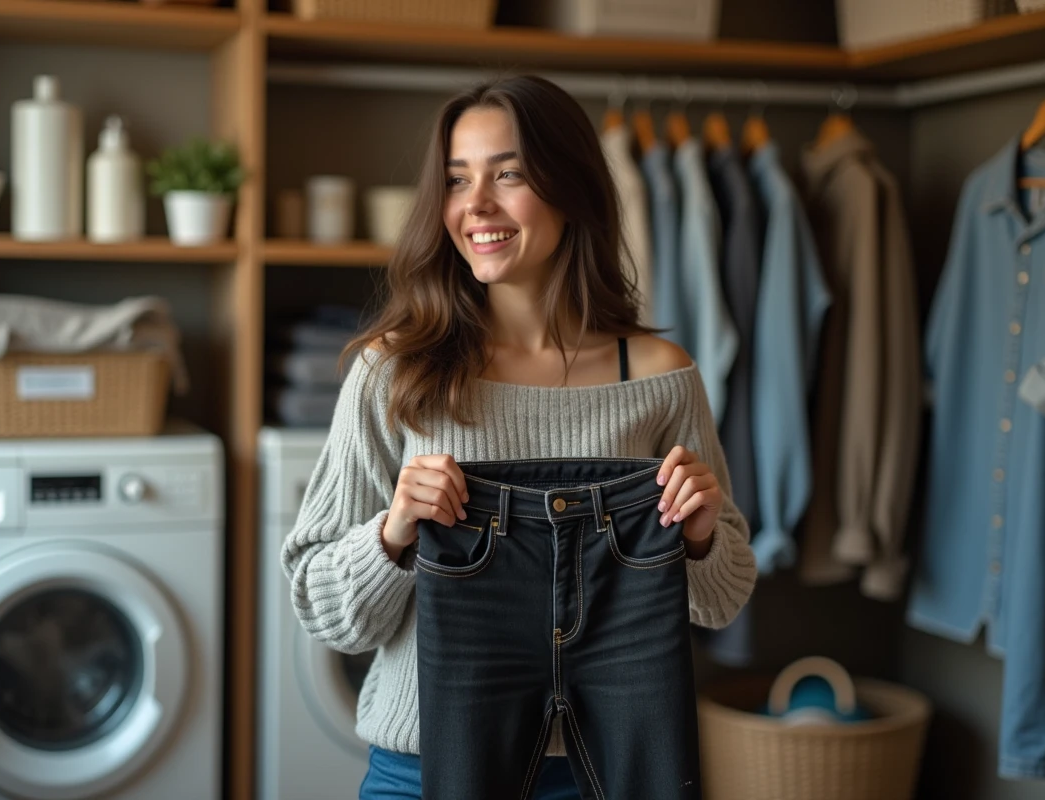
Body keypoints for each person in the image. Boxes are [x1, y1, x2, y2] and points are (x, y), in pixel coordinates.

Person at [281, 74, 757, 800]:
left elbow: (719, 602)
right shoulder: (394, 372)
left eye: (509, 175)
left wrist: (697, 536)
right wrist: (393, 533)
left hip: (605, 777)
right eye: (456, 180)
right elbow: (318, 606)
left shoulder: (660, 377)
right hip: (421, 771)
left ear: (569, 187)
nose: (476, 205)